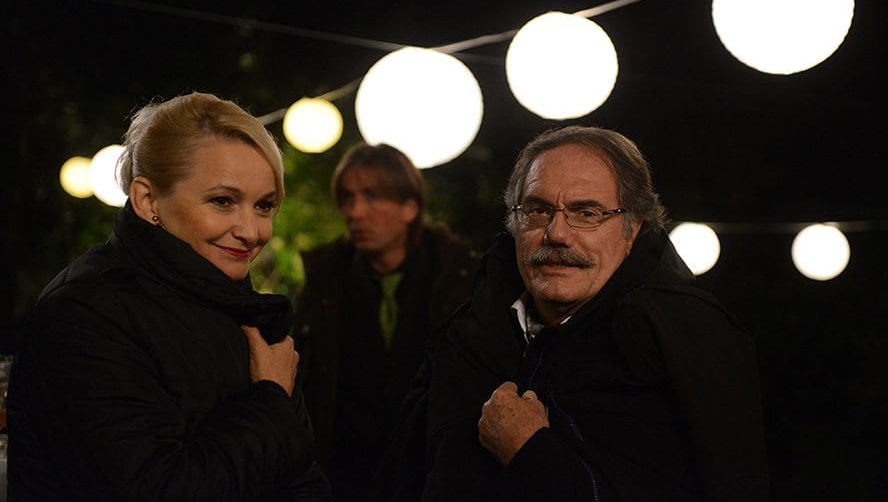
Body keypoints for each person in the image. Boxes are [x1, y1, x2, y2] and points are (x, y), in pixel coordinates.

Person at [376, 125, 770, 501]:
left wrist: (531, 452)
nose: (557, 233)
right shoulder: (464, 341)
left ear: (633, 229)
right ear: (515, 223)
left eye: (587, 213)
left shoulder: (681, 339)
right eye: (537, 210)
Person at [7, 92, 332, 501]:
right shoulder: (83, 314)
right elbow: (156, 489)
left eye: (264, 206)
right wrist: (269, 399)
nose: (252, 232)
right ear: (148, 201)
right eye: (222, 201)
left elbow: (301, 478)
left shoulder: (247, 312)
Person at [292, 142, 480, 501]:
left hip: (428, 477)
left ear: (410, 207)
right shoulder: (325, 281)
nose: (355, 212)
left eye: (372, 197)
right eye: (347, 198)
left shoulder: (458, 279)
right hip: (344, 477)